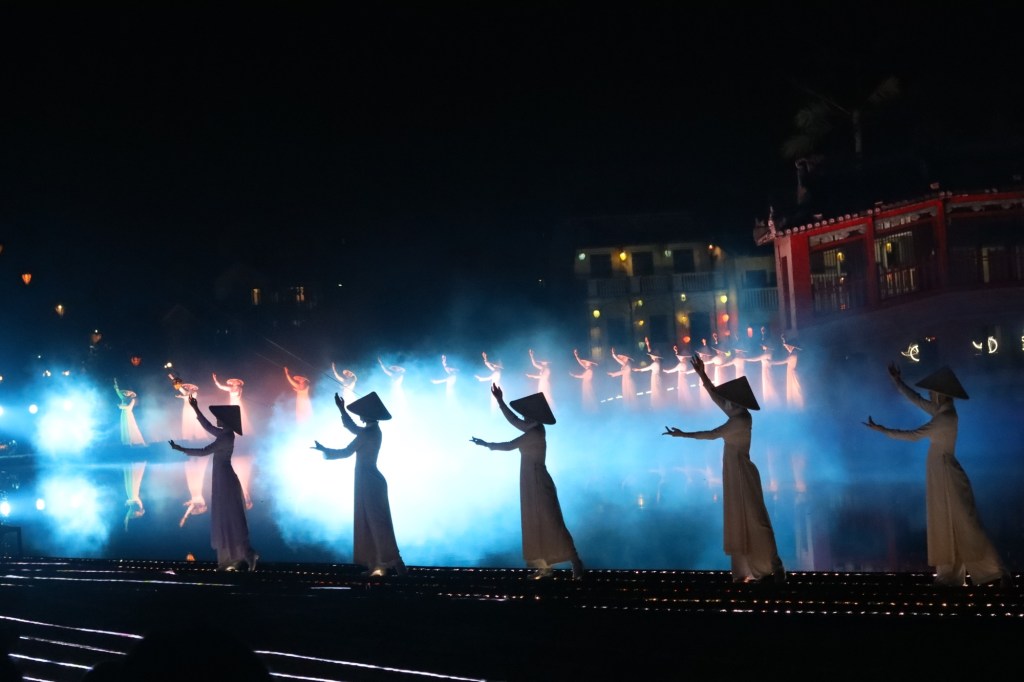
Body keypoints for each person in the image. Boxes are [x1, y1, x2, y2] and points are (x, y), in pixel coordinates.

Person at [864, 364, 1012, 588]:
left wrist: (882, 430)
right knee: (944, 522)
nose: (930, 396)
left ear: (940, 393)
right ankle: (950, 575)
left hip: (945, 473)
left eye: (933, 392)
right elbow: (916, 400)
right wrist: (897, 382)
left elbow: (914, 435)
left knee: (965, 523)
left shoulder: (945, 417)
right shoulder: (942, 411)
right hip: (939, 471)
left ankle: (995, 571)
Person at [663, 354, 785, 584]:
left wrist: (683, 434)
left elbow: (712, 434)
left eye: (729, 400)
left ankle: (774, 566)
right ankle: (744, 571)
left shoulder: (740, 420)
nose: (725, 403)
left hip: (742, 472)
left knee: (756, 519)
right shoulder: (736, 413)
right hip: (734, 471)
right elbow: (715, 396)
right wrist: (702, 374)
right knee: (739, 518)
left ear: (736, 402)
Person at [471, 384, 584, 581]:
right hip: (530, 480)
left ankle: (576, 563)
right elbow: (514, 421)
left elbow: (509, 445)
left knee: (552, 521)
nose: (523, 418)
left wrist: (487, 444)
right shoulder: (533, 428)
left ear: (534, 417)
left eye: (526, 415)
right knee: (533, 521)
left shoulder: (535, 433)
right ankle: (544, 567)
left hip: (538, 480)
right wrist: (500, 401)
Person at [312, 392, 407, 577]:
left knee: (377, 523)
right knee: (369, 521)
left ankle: (396, 563)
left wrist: (325, 450)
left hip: (369, 481)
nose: (360, 416)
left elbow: (347, 452)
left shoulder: (369, 433)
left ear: (367, 414)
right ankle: (378, 564)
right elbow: (352, 427)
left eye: (362, 413)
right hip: (367, 480)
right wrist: (341, 409)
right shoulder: (371, 431)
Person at [169, 397, 258, 572]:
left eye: (219, 418)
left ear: (225, 420)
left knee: (229, 516)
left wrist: (181, 449)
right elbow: (208, 426)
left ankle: (246, 554)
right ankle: (233, 558)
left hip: (225, 479)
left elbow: (204, 451)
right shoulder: (225, 433)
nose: (217, 420)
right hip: (222, 477)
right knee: (226, 516)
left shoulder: (226, 437)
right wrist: (195, 408)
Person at [212, 374, 254, 509]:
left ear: (238, 384)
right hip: (233, 405)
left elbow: (227, 390)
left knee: (238, 419)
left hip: (236, 405)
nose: (233, 384)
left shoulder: (237, 390)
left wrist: (217, 382)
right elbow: (222, 387)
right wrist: (216, 381)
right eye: (233, 382)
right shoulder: (232, 389)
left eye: (235, 382)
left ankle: (240, 437)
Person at [114, 378, 147, 530]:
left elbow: (127, 407)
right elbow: (119, 397)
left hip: (127, 414)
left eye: (127, 393)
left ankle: (133, 442)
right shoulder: (137, 501)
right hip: (124, 415)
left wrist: (127, 522)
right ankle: (129, 443)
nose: (126, 394)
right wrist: (116, 387)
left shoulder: (131, 401)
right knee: (126, 429)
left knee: (131, 429)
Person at [569, 348, 598, 412]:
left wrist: (574, 375)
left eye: (587, 365)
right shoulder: (588, 370)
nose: (585, 366)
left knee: (589, 396)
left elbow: (582, 376)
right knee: (587, 396)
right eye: (586, 365)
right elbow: (581, 363)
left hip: (588, 385)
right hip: (586, 384)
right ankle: (589, 409)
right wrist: (576, 356)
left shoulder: (590, 371)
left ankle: (592, 409)